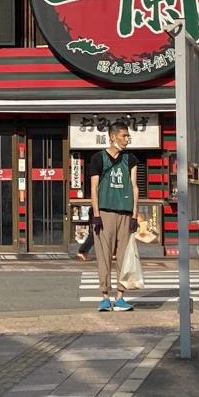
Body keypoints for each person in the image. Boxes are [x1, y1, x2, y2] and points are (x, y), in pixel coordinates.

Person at [89, 122, 139, 312]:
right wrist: (96, 215)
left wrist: (135, 214)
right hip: (105, 212)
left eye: (128, 136)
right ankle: (104, 297)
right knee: (104, 255)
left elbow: (134, 186)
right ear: (112, 137)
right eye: (124, 136)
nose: (127, 139)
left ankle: (120, 297)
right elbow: (93, 188)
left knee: (124, 257)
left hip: (125, 212)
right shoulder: (98, 158)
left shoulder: (130, 159)